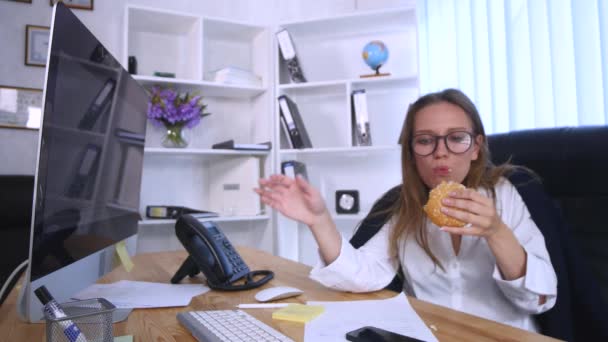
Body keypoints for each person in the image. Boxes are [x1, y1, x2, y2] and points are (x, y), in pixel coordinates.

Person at [255, 88, 557, 333]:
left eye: (456, 138)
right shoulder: (403, 207)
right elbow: (363, 275)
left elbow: (538, 299)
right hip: (430, 333)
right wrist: (319, 220)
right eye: (425, 141)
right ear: (412, 153)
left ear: (476, 147)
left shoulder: (505, 194)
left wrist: (496, 231)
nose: (440, 151)